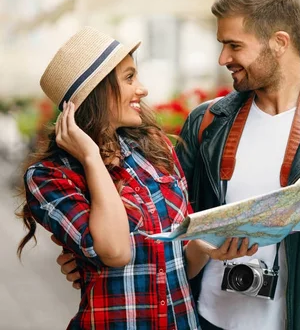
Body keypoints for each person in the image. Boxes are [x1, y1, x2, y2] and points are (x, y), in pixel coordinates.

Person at [59, 0, 300, 329]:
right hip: (205, 320)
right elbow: (164, 226)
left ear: (279, 42)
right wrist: (88, 258)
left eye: (234, 45)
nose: (222, 58)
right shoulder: (207, 123)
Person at [17, 27, 257, 329]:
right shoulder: (50, 177)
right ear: (97, 92)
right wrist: (92, 158)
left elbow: (178, 262)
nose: (142, 89)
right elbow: (116, 252)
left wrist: (210, 247)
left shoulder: (156, 150)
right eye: (129, 78)